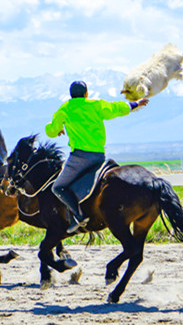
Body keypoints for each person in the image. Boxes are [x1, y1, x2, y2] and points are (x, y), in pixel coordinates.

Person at [45, 81, 149, 234]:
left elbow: (51, 131)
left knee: (58, 187)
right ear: (86, 93)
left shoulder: (65, 109)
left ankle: (79, 215)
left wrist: (58, 127)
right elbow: (115, 109)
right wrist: (134, 105)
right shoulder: (96, 104)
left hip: (79, 158)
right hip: (100, 157)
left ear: (71, 94)